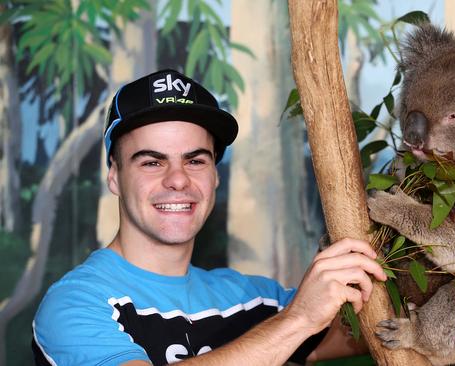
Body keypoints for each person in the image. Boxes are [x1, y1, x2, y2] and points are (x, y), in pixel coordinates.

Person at [31, 69, 386, 366]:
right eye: (152, 161)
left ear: (215, 176)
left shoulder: (255, 300)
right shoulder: (75, 303)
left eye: (195, 160)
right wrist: (297, 320)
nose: (178, 179)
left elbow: (376, 327)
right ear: (114, 176)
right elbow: (298, 320)